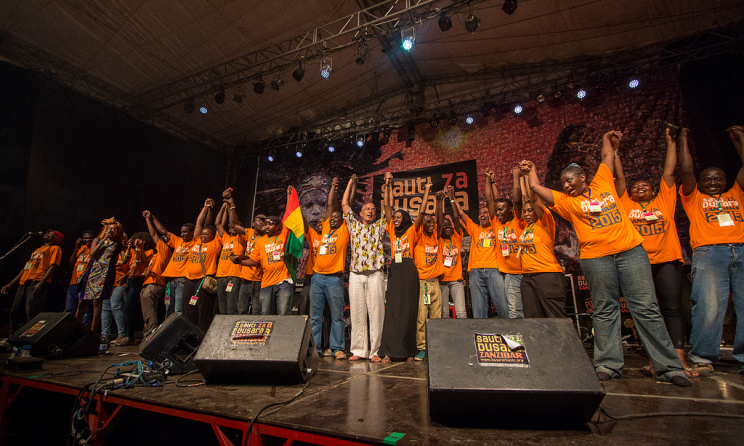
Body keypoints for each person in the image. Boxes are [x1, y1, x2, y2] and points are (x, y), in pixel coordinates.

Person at [525, 130, 690, 387]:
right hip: (596, 258)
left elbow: (607, 154)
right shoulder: (568, 203)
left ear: (583, 177)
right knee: (604, 310)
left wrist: (605, 137)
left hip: (631, 252)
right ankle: (608, 364)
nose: (566, 186)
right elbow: (536, 188)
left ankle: (669, 367)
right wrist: (531, 170)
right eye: (563, 183)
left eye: (570, 180)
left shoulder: (603, 182)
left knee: (645, 308)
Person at [614, 128, 696, 377]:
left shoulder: (664, 201)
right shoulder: (625, 205)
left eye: (645, 186)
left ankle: (679, 359)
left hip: (667, 260)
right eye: (636, 186)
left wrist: (671, 142)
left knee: (672, 309)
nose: (640, 188)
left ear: (653, 191)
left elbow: (669, 173)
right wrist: (615, 152)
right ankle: (655, 358)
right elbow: (619, 179)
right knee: (646, 311)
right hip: (636, 263)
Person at [678, 125, 744, 377]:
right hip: (709, 253)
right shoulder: (693, 197)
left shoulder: (736, 194)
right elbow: (686, 170)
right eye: (708, 179)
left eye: (718, 179)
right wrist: (683, 138)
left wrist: (741, 139)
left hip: (742, 250)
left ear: (726, 181)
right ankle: (703, 356)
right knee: (709, 306)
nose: (713, 182)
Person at [378, 172, 429, 362]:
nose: (397, 218)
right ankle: (390, 351)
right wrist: (388, 185)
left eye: (400, 216)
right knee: (392, 310)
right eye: (395, 217)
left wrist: (426, 192)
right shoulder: (391, 230)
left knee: (408, 311)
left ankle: (409, 351)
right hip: (395, 270)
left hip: (408, 270)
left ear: (406, 219)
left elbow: (422, 212)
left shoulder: (412, 230)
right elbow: (387, 206)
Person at [342, 174, 387, 362]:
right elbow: (345, 204)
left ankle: (375, 351)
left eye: (373, 209)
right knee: (358, 312)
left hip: (375, 274)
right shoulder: (353, 225)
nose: (370, 211)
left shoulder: (379, 226)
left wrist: (388, 185)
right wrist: (351, 182)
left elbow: (388, 207)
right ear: (360, 213)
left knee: (376, 312)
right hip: (356, 275)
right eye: (367, 209)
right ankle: (359, 350)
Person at [232, 187, 295, 315]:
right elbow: (254, 261)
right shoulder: (261, 240)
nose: (266, 226)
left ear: (278, 226)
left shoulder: (283, 236)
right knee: (265, 315)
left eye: (270, 224)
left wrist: (288, 195)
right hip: (266, 283)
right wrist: (239, 261)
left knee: (283, 315)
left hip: (283, 282)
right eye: (266, 224)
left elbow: (289, 215)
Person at [305, 178, 350, 359]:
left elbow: (336, 204)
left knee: (337, 316)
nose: (332, 219)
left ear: (342, 222)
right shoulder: (323, 229)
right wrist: (331, 187)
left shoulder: (343, 231)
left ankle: (337, 348)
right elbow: (329, 205)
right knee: (315, 317)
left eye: (336, 218)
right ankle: (315, 350)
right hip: (316, 278)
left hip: (334, 279)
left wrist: (339, 189)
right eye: (331, 218)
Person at [517, 162, 567, 318]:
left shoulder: (544, 221)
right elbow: (525, 198)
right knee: (534, 322)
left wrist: (530, 172)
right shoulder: (526, 227)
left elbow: (534, 198)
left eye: (530, 211)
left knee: (556, 319)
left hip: (547, 275)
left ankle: (565, 343)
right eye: (524, 211)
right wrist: (521, 178)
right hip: (527, 278)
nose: (526, 214)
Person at [451, 181, 508, 319]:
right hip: (476, 271)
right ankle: (481, 335)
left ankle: (510, 333)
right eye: (480, 213)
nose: (482, 215)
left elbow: (495, 202)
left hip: (494, 269)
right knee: (479, 309)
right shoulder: (475, 229)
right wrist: (451, 196)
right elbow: (460, 212)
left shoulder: (496, 226)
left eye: (485, 212)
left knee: (502, 306)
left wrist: (492, 182)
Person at [2, 229, 63, 332]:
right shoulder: (37, 250)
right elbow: (26, 267)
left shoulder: (55, 248)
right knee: (15, 311)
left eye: (50, 234)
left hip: (37, 281)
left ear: (55, 238)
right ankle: (13, 337)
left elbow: (53, 266)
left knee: (31, 312)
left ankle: (29, 339)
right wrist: (11, 284)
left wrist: (41, 283)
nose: (47, 234)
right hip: (24, 282)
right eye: (47, 232)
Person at [486, 167, 524, 318]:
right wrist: (488, 180)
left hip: (527, 272)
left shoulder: (518, 221)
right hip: (511, 274)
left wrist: (515, 176)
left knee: (529, 310)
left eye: (502, 210)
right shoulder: (496, 223)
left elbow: (517, 200)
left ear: (510, 210)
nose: (499, 212)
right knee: (514, 310)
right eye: (497, 210)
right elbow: (490, 200)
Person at [411, 188, 444, 361]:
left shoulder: (435, 237)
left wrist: (439, 201)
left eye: (432, 222)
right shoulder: (417, 237)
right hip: (423, 283)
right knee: (422, 319)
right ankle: (422, 348)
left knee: (436, 317)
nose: (431, 224)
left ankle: (436, 346)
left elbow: (439, 217)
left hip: (435, 283)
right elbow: (421, 215)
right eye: (428, 222)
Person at [76, 219, 123, 335]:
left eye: (114, 229)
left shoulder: (118, 244)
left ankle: (92, 332)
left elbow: (124, 259)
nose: (112, 231)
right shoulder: (97, 240)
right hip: (92, 272)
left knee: (97, 303)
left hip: (105, 274)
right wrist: (103, 240)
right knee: (82, 302)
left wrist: (128, 255)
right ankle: (75, 328)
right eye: (110, 228)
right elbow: (92, 253)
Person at [182, 199, 220, 332]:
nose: (203, 236)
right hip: (189, 279)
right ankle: (190, 332)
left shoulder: (214, 243)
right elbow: (199, 223)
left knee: (203, 310)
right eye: (202, 234)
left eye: (206, 234)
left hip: (203, 280)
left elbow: (208, 223)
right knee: (188, 308)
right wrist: (205, 207)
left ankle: (202, 334)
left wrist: (211, 210)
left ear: (212, 236)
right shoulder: (196, 241)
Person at [149, 213, 197, 317]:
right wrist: (153, 218)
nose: (182, 234)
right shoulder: (178, 241)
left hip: (182, 281)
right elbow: (163, 231)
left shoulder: (195, 243)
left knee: (178, 310)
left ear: (192, 233)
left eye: (185, 232)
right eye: (181, 232)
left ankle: (179, 333)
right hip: (170, 282)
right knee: (169, 310)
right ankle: (168, 332)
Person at [227, 198, 265, 315]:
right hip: (245, 277)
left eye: (263, 221)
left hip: (258, 278)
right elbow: (233, 225)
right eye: (258, 220)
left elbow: (255, 260)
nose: (260, 222)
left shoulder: (265, 239)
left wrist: (239, 260)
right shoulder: (249, 233)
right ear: (253, 223)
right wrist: (232, 205)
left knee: (257, 309)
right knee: (242, 308)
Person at [140, 210, 173, 338]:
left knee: (150, 311)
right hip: (148, 283)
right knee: (146, 311)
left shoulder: (165, 251)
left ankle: (151, 334)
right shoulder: (156, 254)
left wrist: (148, 219)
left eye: (163, 240)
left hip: (155, 283)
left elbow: (154, 234)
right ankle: (147, 333)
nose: (160, 240)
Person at [215, 196, 245, 315]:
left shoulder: (241, 239)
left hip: (233, 276)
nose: (231, 228)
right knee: (222, 308)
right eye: (230, 227)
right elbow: (217, 223)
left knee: (232, 307)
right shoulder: (226, 238)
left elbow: (235, 222)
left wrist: (232, 206)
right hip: (221, 277)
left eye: (234, 227)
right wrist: (223, 209)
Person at [441, 186, 467, 319]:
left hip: (456, 281)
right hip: (442, 281)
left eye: (449, 225)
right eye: (444, 225)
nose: (447, 227)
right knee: (444, 313)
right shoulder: (438, 240)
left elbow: (456, 218)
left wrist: (451, 198)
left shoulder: (456, 237)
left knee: (461, 312)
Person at [65, 230, 95, 315]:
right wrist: (75, 249)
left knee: (84, 310)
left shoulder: (95, 249)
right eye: (85, 238)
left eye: (89, 238)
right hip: (73, 282)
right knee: (69, 308)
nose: (87, 240)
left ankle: (83, 328)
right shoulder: (80, 248)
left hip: (85, 282)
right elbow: (71, 263)